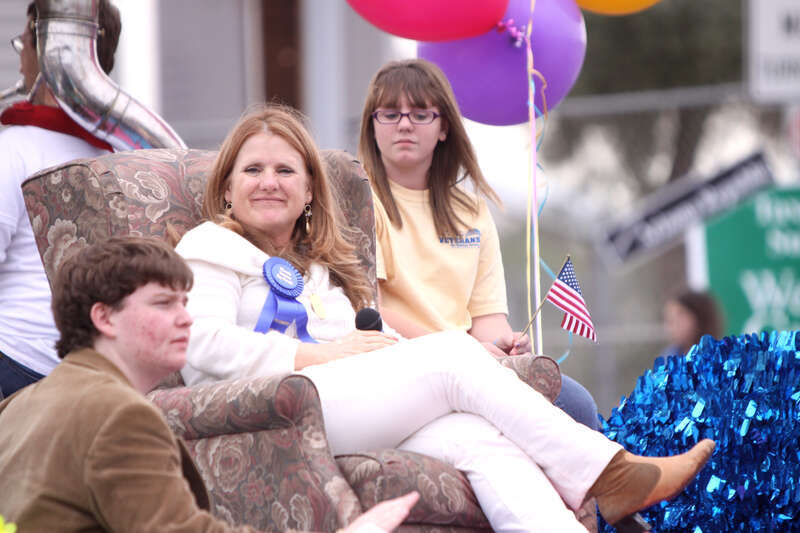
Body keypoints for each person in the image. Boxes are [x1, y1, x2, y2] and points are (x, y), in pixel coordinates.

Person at [176, 103, 715, 533]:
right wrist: (317, 356)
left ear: (309, 190)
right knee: (451, 355)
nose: (269, 181)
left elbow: (367, 343)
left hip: (343, 404)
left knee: (479, 439)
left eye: (284, 170)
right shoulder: (208, 247)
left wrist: (455, 357)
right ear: (226, 187)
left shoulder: (319, 266)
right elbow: (200, 344)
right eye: (253, 170)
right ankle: (609, 473)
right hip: (274, 413)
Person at [0, 236, 419, 532]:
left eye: (185, 303)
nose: (186, 318)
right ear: (104, 317)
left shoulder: (16, 405)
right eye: (164, 304)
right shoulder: (120, 416)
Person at [357, 58, 599, 431]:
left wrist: (505, 344)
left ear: (443, 128)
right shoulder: (358, 202)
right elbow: (372, 311)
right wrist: (466, 352)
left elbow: (487, 318)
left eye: (420, 114)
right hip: (401, 366)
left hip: (470, 364)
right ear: (372, 127)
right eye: (390, 114)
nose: (404, 124)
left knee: (575, 404)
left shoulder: (470, 210)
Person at [0, 0, 120, 398]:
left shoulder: (13, 148)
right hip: (94, 372)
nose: (21, 59)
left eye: (24, 44)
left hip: (14, 361)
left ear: (47, 54)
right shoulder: (123, 153)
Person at [662, 289, 724, 357]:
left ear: (699, 317)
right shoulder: (669, 356)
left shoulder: (719, 356)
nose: (673, 325)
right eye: (669, 319)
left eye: (680, 316)